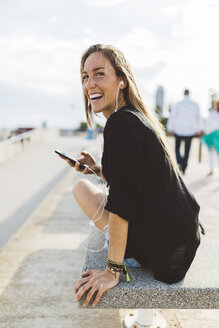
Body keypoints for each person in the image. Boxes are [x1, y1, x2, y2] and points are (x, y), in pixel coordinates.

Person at [58, 44, 201, 307]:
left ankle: (130, 256)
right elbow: (140, 179)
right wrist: (99, 169)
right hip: (181, 239)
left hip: (164, 252)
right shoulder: (135, 118)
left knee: (81, 189)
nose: (90, 84)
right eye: (85, 77)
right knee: (85, 185)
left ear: (122, 80)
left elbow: (122, 200)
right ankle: (127, 249)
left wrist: (112, 270)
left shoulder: (120, 124)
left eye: (99, 73)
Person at [167, 89, 202, 174]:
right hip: (190, 131)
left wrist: (170, 129)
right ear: (189, 94)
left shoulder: (178, 104)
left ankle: (179, 163)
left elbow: (172, 117)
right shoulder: (195, 104)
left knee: (177, 148)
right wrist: (198, 130)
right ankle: (184, 167)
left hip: (178, 130)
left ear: (183, 94)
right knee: (187, 150)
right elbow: (198, 118)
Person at [202, 100, 219, 176]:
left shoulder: (212, 114)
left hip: (212, 135)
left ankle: (212, 169)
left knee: (211, 153)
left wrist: (205, 132)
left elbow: (206, 125)